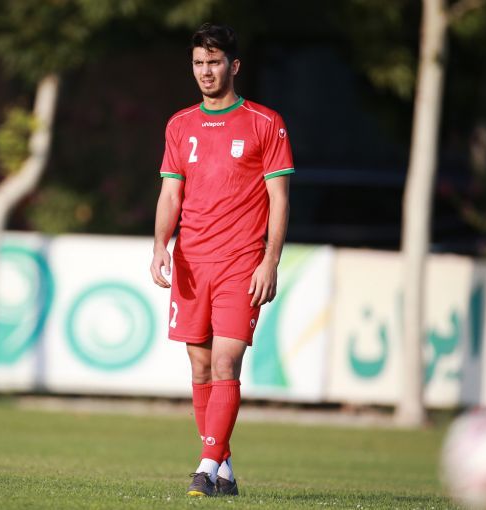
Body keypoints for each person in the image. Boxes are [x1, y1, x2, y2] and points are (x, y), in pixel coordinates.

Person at [150, 23, 294, 497]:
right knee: (200, 368)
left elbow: (279, 198)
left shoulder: (264, 123)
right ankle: (224, 468)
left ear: (234, 66)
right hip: (192, 262)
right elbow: (171, 194)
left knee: (225, 363)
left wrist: (270, 260)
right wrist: (160, 245)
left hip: (241, 263)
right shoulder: (180, 125)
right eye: (198, 63)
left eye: (214, 62)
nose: (205, 72)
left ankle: (206, 467)